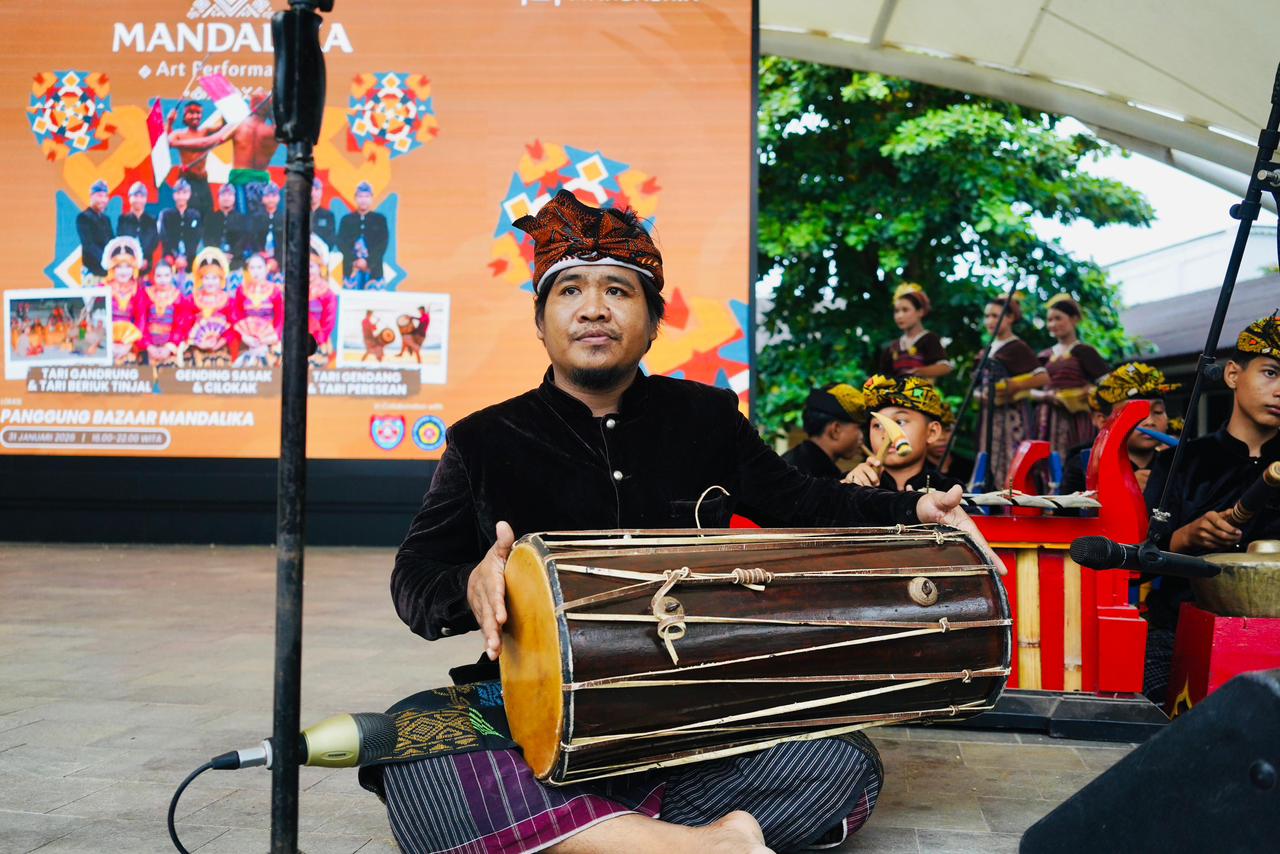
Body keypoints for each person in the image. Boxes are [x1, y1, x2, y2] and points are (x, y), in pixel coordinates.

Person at [368, 189, 987, 854]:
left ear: (655, 320)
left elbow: (806, 499)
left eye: (619, 291)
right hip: (532, 715)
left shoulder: (706, 418)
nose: (595, 308)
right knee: (410, 742)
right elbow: (414, 578)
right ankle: (703, 845)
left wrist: (914, 507)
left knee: (841, 761)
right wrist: (471, 586)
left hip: (699, 712)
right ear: (541, 321)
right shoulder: (484, 440)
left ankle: (587, 836)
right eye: (570, 291)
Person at [1141, 314, 1280, 704]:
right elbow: (1139, 560)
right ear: (1233, 374)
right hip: (1179, 628)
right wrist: (1185, 537)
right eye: (1270, 373)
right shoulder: (1180, 462)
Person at [1059, 362, 1178, 495]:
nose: (1149, 422)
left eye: (1158, 411)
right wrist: (1123, 489)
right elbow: (1067, 513)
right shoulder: (1084, 465)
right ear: (1102, 420)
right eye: (1134, 413)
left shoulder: (1176, 465)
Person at [972, 295, 1047, 490]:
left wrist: (1010, 387)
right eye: (987, 316)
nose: (990, 321)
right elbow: (976, 386)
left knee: (1013, 462)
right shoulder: (985, 349)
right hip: (989, 416)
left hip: (1012, 417)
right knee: (988, 460)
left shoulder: (1017, 347)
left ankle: (1013, 505)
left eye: (995, 316)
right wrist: (982, 395)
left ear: (1010, 317)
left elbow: (1042, 377)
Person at [846, 375, 966, 493]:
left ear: (932, 432)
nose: (887, 434)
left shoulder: (950, 491)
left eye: (900, 422)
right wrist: (848, 492)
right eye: (878, 425)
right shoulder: (852, 483)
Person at [1031, 295, 1111, 460]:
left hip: (1078, 418)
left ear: (1074, 319)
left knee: (1075, 460)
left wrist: (1087, 392)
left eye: (1058, 318)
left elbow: (1108, 384)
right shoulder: (1044, 356)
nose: (1053, 324)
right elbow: (1028, 391)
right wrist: (1046, 396)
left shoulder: (1084, 351)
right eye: (1049, 320)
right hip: (1047, 418)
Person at [780, 384, 866, 478]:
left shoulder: (796, 461)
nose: (862, 436)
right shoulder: (804, 475)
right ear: (836, 430)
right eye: (859, 428)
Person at [877, 282, 952, 380]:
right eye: (896, 311)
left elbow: (945, 367)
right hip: (897, 394)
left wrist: (920, 371)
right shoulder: (894, 347)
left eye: (905, 310)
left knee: (916, 394)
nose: (899, 316)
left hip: (921, 393)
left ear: (920, 312)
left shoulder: (929, 339)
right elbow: (883, 376)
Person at [227, 90, 279, 216]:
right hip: (243, 183)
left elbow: (206, 142)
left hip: (255, 183)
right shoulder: (272, 131)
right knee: (246, 221)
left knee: (257, 221)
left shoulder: (270, 132)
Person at [166, 101, 220, 218]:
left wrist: (227, 105)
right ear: (184, 116)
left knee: (208, 214)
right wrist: (169, 123)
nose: (195, 116)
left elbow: (224, 126)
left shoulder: (205, 132)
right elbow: (166, 143)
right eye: (191, 113)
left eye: (198, 113)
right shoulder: (179, 134)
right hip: (187, 180)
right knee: (189, 215)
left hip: (203, 181)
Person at [185, 247, 235, 366]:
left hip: (221, 349)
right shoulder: (192, 299)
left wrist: (219, 342)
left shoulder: (228, 300)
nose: (210, 282)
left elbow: (234, 327)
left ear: (221, 279)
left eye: (214, 278)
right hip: (196, 349)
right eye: (206, 278)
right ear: (201, 279)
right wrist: (198, 343)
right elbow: (185, 324)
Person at [231, 254, 283, 366]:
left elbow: (280, 317)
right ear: (248, 270)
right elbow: (237, 316)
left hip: (269, 339)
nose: (256, 271)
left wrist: (273, 337)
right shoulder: (241, 290)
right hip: (247, 340)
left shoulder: (275, 290)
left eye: (259, 267)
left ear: (266, 269)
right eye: (252, 268)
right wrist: (244, 337)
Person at [103, 236, 149, 365]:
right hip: (105, 345)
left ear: (133, 269)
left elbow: (141, 319)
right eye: (119, 267)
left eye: (128, 266)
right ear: (112, 269)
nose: (124, 271)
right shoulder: (102, 289)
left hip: (130, 346)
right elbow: (96, 320)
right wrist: (108, 343)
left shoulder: (138, 291)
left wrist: (129, 344)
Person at [337, 181, 389, 289]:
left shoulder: (380, 219)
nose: (363, 199)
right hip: (351, 270)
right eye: (360, 196)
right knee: (351, 304)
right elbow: (341, 243)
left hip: (374, 270)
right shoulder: (346, 220)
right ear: (355, 198)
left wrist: (368, 262)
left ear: (371, 198)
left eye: (366, 196)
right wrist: (355, 261)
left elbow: (382, 244)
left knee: (373, 304)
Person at [141, 260, 191, 367]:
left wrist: (169, 347)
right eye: (159, 276)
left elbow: (181, 326)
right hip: (148, 348)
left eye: (166, 275)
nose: (163, 280)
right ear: (153, 276)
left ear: (172, 275)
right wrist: (149, 346)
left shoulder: (178, 297)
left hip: (170, 349)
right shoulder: (146, 295)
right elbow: (141, 323)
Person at [158, 179, 204, 272]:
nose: (181, 196)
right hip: (170, 261)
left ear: (189, 194)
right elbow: (164, 238)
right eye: (178, 193)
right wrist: (173, 257)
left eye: (184, 193)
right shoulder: (166, 215)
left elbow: (196, 239)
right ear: (174, 195)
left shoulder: (195, 215)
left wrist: (186, 258)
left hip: (190, 261)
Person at [204, 183, 253, 269]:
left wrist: (232, 254)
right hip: (214, 259)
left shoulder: (242, 219)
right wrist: (219, 255)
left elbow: (243, 240)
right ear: (218, 198)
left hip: (236, 260)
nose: (226, 198)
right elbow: (208, 239)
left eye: (229, 195)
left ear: (234, 198)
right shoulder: (210, 218)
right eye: (223, 194)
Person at [306, 236, 338, 368]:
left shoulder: (326, 292)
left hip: (319, 342)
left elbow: (329, 321)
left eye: (312, 266)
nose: (308, 270)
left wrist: (317, 340)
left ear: (319, 268)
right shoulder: (293, 289)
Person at [76, 179, 113, 285]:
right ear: (92, 196)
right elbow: (88, 244)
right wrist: (106, 258)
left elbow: (111, 242)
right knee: (92, 301)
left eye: (106, 196)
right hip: (91, 272)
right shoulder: (83, 217)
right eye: (100, 196)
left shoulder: (106, 219)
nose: (103, 200)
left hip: (107, 272)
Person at [116, 182, 159, 272]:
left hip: (146, 264)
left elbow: (154, 241)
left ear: (146, 199)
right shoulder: (123, 219)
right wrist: (131, 259)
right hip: (126, 266)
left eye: (142, 196)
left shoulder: (152, 220)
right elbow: (120, 239)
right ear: (129, 198)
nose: (138, 200)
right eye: (135, 196)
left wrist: (144, 258)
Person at [250, 183, 286, 273]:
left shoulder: (285, 218)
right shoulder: (256, 218)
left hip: (281, 261)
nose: (270, 199)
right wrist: (263, 257)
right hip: (259, 261)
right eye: (267, 196)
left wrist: (277, 260)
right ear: (262, 198)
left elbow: (287, 243)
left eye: (273, 196)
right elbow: (252, 240)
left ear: (278, 197)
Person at [311, 177, 336, 248]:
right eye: (310, 189)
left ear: (321, 192)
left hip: (321, 256)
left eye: (316, 189)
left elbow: (331, 239)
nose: (313, 193)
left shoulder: (328, 215)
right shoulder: (301, 214)